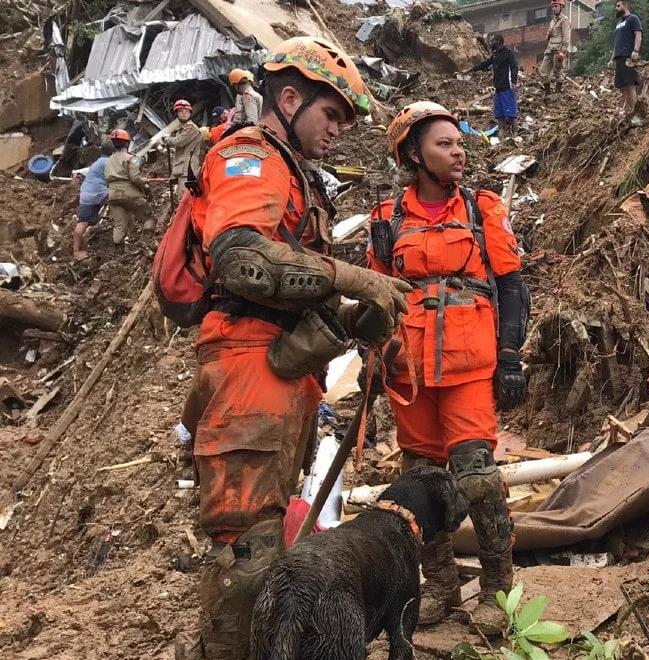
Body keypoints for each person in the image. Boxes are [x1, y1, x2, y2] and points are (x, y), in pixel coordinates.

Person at [185, 36, 410, 658]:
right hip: (247, 367)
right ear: (289, 97)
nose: (337, 129)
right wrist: (352, 277)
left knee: (267, 538)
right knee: (248, 551)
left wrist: (349, 315)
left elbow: (289, 282)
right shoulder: (252, 156)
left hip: (278, 367)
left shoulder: (292, 173)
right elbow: (242, 262)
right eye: (331, 113)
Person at [367, 101, 529, 632]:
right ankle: (439, 584)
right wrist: (374, 360)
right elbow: (375, 298)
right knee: (421, 480)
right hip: (409, 371)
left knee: (478, 479)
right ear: (413, 154)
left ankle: (498, 590)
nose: (459, 152)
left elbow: (510, 285)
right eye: (445, 144)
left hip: (469, 366)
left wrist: (510, 357)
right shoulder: (386, 219)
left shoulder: (483, 210)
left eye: (460, 143)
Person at [103, 128, 151, 245]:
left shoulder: (108, 160)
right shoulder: (131, 158)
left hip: (113, 195)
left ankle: (117, 255)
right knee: (149, 218)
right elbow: (135, 178)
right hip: (129, 194)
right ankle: (148, 243)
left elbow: (106, 178)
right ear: (127, 143)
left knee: (119, 226)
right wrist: (145, 187)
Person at [468, 34, 521, 136]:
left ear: (499, 42)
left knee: (511, 114)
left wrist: (514, 82)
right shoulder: (495, 55)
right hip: (498, 89)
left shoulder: (508, 53)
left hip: (507, 88)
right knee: (500, 114)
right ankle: (502, 132)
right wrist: (471, 69)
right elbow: (485, 64)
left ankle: (515, 134)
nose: (491, 43)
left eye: (492, 41)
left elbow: (514, 67)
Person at [160, 99, 206, 199]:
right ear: (176, 114)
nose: (184, 113)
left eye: (186, 111)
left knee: (185, 200)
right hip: (183, 169)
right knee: (183, 199)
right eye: (181, 111)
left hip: (188, 170)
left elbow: (178, 142)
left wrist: (166, 138)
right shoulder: (182, 128)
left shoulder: (191, 127)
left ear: (190, 113)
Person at [72, 145, 111, 260]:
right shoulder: (106, 161)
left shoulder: (98, 162)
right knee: (82, 223)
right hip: (95, 193)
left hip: (89, 193)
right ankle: (76, 252)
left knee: (83, 222)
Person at [609, 0, 643, 125]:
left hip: (628, 56)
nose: (616, 8)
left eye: (618, 5)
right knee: (622, 86)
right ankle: (627, 111)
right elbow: (617, 41)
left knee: (630, 85)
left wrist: (635, 50)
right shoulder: (618, 23)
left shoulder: (633, 19)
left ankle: (635, 115)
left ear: (626, 5)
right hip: (618, 57)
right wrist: (612, 57)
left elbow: (638, 35)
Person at [539, 0, 569, 93]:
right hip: (549, 49)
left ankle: (558, 93)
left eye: (556, 6)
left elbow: (566, 38)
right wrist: (548, 35)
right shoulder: (552, 21)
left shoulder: (564, 20)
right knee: (542, 72)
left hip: (557, 50)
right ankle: (547, 93)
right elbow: (549, 36)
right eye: (553, 7)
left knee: (557, 72)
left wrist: (562, 52)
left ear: (561, 7)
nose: (554, 8)